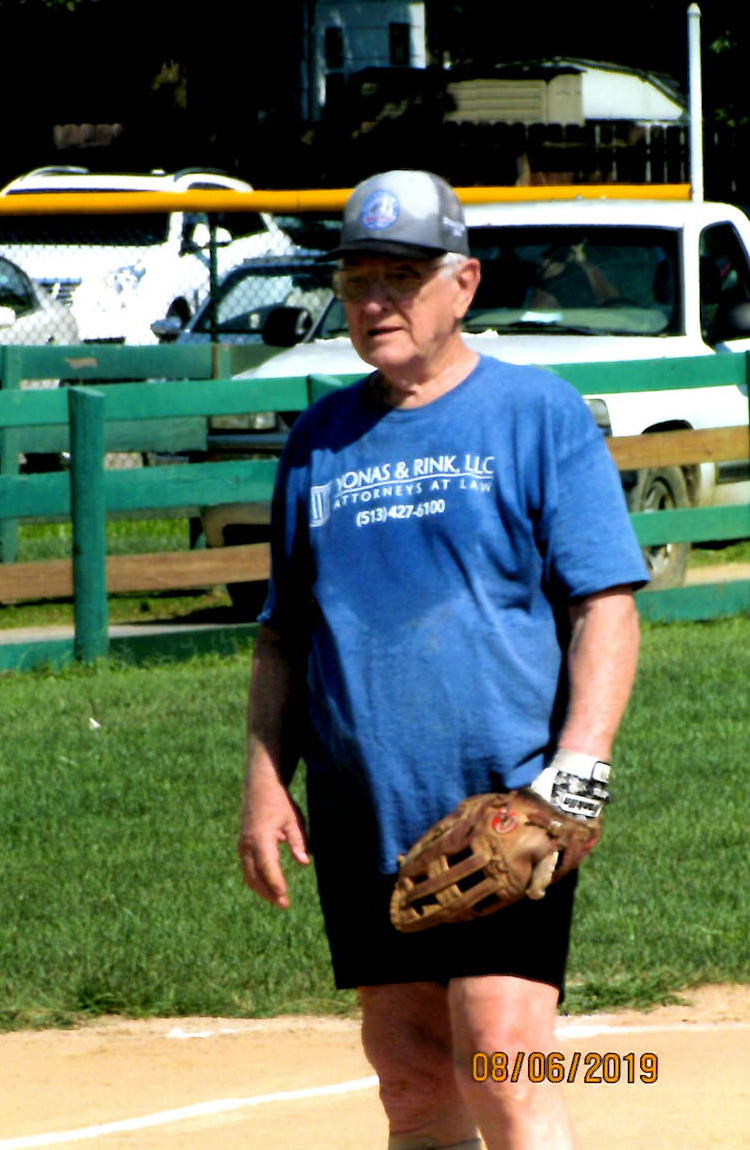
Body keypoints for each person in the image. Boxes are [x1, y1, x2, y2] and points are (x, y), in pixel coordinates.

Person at [238, 169, 648, 1150]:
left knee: (503, 1057)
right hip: (364, 813)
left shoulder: (535, 413)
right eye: (357, 280)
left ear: (462, 284)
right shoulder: (318, 442)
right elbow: (285, 634)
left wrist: (579, 774)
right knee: (413, 1077)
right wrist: (263, 781)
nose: (375, 300)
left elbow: (605, 606)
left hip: (510, 811)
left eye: (402, 277)